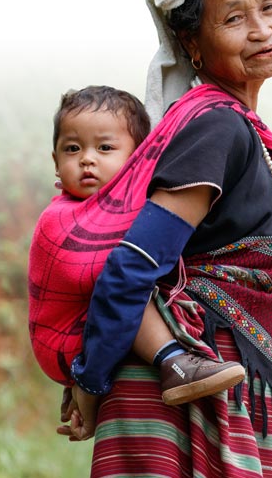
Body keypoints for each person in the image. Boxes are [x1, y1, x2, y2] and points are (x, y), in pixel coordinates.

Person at [58, 0, 272, 478]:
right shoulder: (216, 128)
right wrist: (92, 378)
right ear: (191, 42)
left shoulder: (239, 129)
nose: (261, 29)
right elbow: (131, 266)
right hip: (178, 397)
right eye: (234, 17)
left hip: (219, 393)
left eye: (270, 5)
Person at [27, 86, 247, 408]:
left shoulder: (123, 208)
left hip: (95, 336)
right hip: (64, 338)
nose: (87, 159)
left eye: (104, 147)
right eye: (72, 149)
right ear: (56, 162)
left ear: (136, 160)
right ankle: (173, 362)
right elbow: (110, 274)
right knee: (132, 270)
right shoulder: (59, 217)